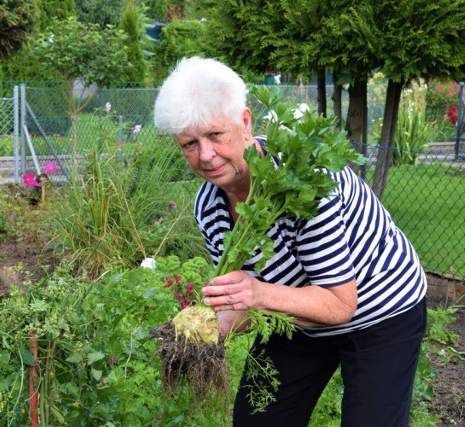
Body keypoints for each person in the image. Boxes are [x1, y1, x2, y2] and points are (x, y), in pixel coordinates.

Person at [153, 56, 427, 427]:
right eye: (189, 143)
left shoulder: (306, 186)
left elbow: (339, 305)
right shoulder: (210, 206)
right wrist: (207, 330)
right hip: (296, 314)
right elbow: (249, 305)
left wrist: (258, 294)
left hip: (378, 311)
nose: (205, 156)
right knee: (258, 419)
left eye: (216, 135)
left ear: (245, 122)